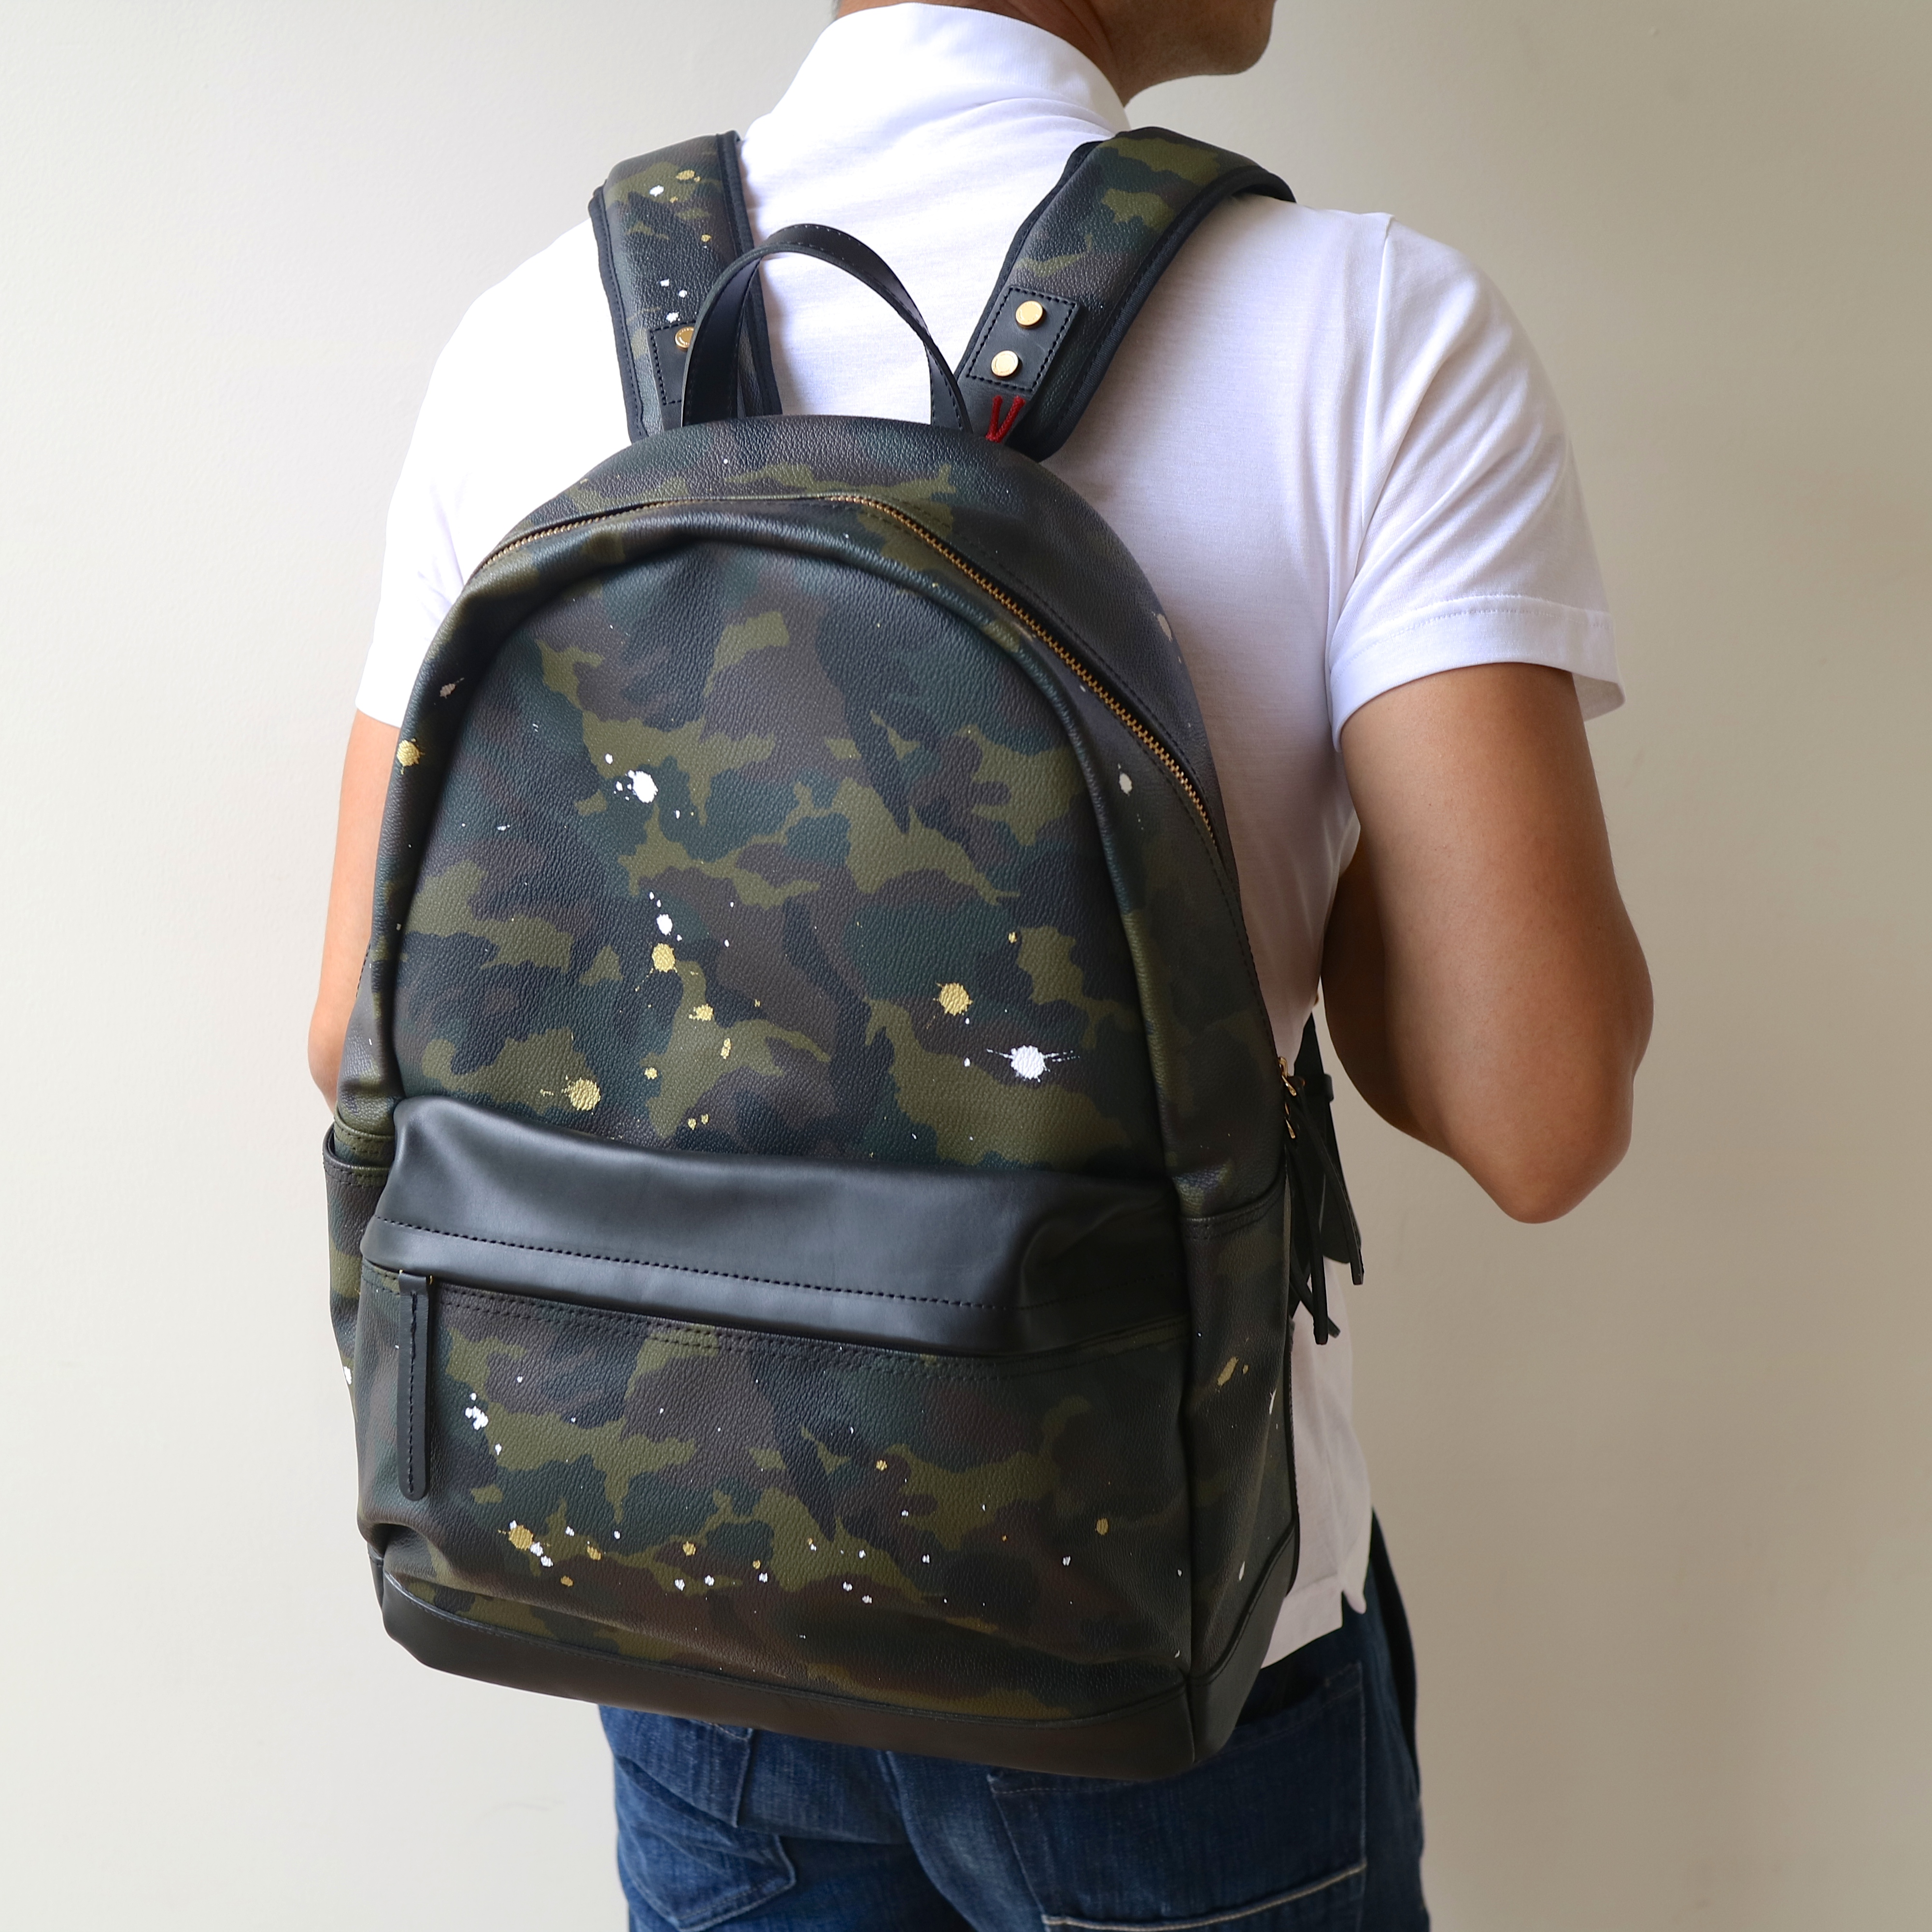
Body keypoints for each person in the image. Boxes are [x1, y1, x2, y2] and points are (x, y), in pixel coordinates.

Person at [310, 0, 1652, 1923]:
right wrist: (1329, 815)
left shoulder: (528, 334)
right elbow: (1535, 1114)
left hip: (675, 1603)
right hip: (1142, 1636)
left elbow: (347, 1032)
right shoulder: (1370, 328)